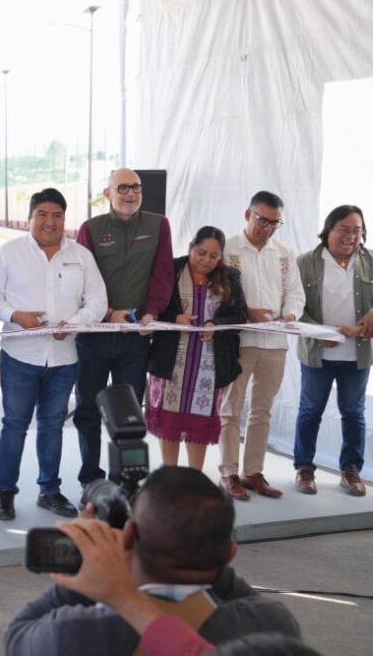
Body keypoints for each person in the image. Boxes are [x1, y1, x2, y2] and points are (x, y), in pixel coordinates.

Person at [4, 466, 301, 656]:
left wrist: (86, 560)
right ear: (230, 553)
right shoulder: (271, 626)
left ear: (129, 537)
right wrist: (207, 550)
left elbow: (17, 634)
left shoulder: (73, 633)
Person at [0, 189, 107, 519]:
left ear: (64, 219)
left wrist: (75, 323)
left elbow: (98, 300)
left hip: (64, 358)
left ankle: (49, 491)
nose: (49, 222)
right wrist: (16, 316)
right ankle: (5, 492)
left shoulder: (81, 255)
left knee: (52, 424)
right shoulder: (9, 253)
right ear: (30, 218)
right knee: (14, 424)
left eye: (57, 215)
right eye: (42, 214)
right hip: (19, 357)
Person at [74, 168, 174, 485]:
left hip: (135, 339)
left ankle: (126, 483)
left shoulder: (159, 225)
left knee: (129, 415)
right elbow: (80, 283)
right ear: (108, 193)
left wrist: (152, 313)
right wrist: (107, 314)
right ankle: (91, 478)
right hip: (94, 337)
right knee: (88, 411)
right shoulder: (91, 229)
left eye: (136, 187)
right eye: (123, 188)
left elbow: (163, 275)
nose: (131, 193)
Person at [218, 192, 305, 500]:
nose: (267, 228)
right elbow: (217, 295)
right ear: (247, 214)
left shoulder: (284, 253)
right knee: (231, 409)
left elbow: (296, 293)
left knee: (262, 410)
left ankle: (253, 471)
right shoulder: (227, 249)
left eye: (274, 223)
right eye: (262, 220)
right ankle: (228, 472)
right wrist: (246, 313)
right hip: (239, 341)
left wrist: (290, 314)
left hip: (275, 343)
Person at [147, 227, 246, 470]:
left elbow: (239, 316)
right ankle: (170, 476)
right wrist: (175, 318)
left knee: (198, 422)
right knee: (170, 420)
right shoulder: (171, 270)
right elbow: (152, 306)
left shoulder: (230, 277)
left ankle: (194, 478)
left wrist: (216, 324)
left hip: (209, 364)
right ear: (190, 247)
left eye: (213, 256)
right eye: (201, 253)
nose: (206, 260)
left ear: (221, 256)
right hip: (170, 360)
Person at [294, 205, 373, 497]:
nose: (351, 236)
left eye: (357, 230)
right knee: (310, 410)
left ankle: (351, 470)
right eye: (344, 229)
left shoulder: (370, 260)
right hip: (318, 354)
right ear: (328, 229)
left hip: (357, 354)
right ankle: (304, 469)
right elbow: (294, 306)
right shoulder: (306, 262)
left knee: (353, 412)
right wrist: (319, 332)